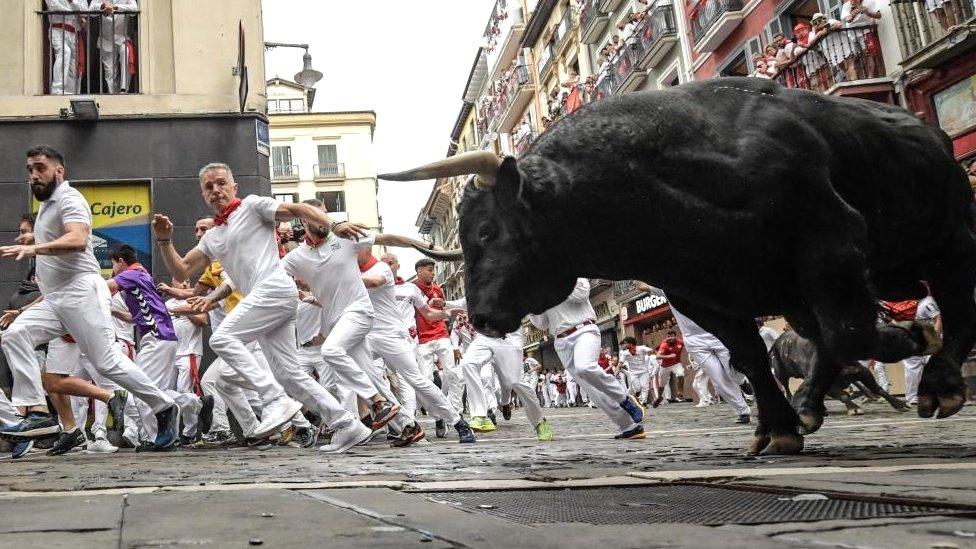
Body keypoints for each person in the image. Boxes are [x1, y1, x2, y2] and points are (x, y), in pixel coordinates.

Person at [153, 162, 369, 453]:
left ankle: (273, 399)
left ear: (234, 187)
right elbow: (180, 269)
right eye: (209, 187)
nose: (216, 190)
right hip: (266, 300)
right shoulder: (213, 236)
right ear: (203, 195)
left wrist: (333, 225)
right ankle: (346, 424)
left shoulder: (253, 206)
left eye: (221, 183)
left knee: (222, 338)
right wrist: (165, 240)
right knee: (289, 375)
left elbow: (299, 210)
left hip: (274, 289)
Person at [0, 145, 179, 451]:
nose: (34, 175)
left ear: (59, 171)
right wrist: (36, 238)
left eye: (41, 168)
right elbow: (60, 235)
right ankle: (38, 412)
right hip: (56, 299)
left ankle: (165, 407)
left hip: (81, 291)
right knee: (13, 335)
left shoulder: (69, 198)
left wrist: (34, 249)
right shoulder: (47, 205)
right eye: (30, 169)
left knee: (106, 362)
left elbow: (78, 238)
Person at [358, 245, 476, 446]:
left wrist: (446, 313)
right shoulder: (363, 282)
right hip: (369, 338)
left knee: (418, 382)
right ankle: (407, 425)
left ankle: (459, 423)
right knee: (363, 376)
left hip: (396, 338)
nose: (385, 265)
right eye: (382, 262)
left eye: (390, 262)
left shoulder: (408, 288)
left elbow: (428, 313)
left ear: (397, 267)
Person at [107, 244, 208, 448]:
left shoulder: (131, 275)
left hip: (156, 338)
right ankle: (196, 403)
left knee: (141, 390)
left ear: (120, 261)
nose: (113, 271)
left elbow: (102, 288)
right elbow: (137, 317)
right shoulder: (143, 276)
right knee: (155, 390)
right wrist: (113, 311)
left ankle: (155, 437)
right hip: (162, 338)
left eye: (113, 265)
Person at [529, 278, 645, 439]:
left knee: (586, 367)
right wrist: (531, 305)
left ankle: (625, 399)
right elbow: (542, 323)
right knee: (593, 392)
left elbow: (581, 295)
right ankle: (629, 427)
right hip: (561, 341)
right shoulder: (540, 289)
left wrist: (553, 285)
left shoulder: (573, 274)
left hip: (584, 330)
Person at [669, 303, 752, 424]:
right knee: (719, 379)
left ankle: (741, 380)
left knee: (733, 370)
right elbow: (641, 286)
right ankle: (742, 411)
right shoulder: (665, 289)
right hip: (694, 341)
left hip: (717, 332)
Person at [413, 259, 464, 424]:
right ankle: (438, 416)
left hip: (442, 335)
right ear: (419, 271)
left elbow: (443, 310)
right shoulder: (411, 290)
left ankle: (456, 412)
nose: (433, 274)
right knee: (425, 382)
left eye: (433, 270)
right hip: (422, 340)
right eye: (429, 270)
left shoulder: (438, 290)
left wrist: (448, 311)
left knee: (453, 374)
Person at [902, 292, 941, 406]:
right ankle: (913, 396)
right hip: (917, 339)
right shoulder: (914, 304)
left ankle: (918, 395)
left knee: (922, 368)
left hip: (927, 340)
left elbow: (938, 318)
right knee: (913, 368)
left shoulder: (926, 303)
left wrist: (935, 338)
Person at [89, 1, 137, 93]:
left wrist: (116, 7)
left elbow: (134, 9)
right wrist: (102, 6)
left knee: (126, 53)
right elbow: (91, 10)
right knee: (110, 72)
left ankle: (124, 89)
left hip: (122, 37)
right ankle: (113, 93)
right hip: (106, 39)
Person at [45, 0, 88, 94]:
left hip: (73, 32)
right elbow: (54, 6)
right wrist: (75, 14)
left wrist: (72, 2)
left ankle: (71, 92)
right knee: (65, 52)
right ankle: (57, 88)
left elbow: (85, 10)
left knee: (73, 63)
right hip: (57, 29)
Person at [618, 336, 656, 405]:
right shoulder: (624, 353)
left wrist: (652, 352)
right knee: (637, 388)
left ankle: (642, 403)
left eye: (626, 343)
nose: (624, 345)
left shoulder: (641, 348)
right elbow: (620, 362)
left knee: (645, 387)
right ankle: (637, 398)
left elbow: (651, 351)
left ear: (630, 343)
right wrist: (616, 370)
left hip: (644, 372)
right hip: (633, 373)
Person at [654, 330, 687, 407]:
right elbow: (657, 356)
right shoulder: (664, 344)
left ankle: (680, 392)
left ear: (675, 336)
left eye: (672, 336)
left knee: (681, 374)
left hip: (676, 363)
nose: (670, 338)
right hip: (665, 366)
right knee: (662, 384)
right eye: (668, 336)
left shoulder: (680, 342)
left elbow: (689, 345)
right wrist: (669, 356)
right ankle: (659, 397)